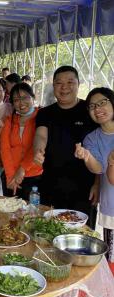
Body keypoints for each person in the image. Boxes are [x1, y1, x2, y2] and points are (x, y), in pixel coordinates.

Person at [33, 66, 98, 228]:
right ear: (53, 86)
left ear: (78, 84)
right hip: (50, 183)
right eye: (59, 83)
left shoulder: (89, 111)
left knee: (81, 233)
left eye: (70, 82)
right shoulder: (45, 113)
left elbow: (100, 150)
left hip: (84, 187)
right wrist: (38, 150)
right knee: (49, 230)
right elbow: (41, 135)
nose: (64, 87)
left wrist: (98, 183)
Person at [74, 87, 114, 267]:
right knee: (112, 257)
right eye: (92, 106)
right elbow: (99, 168)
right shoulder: (92, 138)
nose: (98, 109)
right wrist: (87, 156)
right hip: (111, 204)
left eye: (102, 103)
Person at [0, 83, 42, 200]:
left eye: (25, 98)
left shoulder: (41, 117)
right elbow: (5, 149)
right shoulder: (9, 120)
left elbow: (36, 146)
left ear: (33, 98)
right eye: (16, 100)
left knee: (32, 215)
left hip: (35, 176)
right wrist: (10, 177)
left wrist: (22, 170)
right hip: (11, 176)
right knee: (10, 214)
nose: (21, 103)